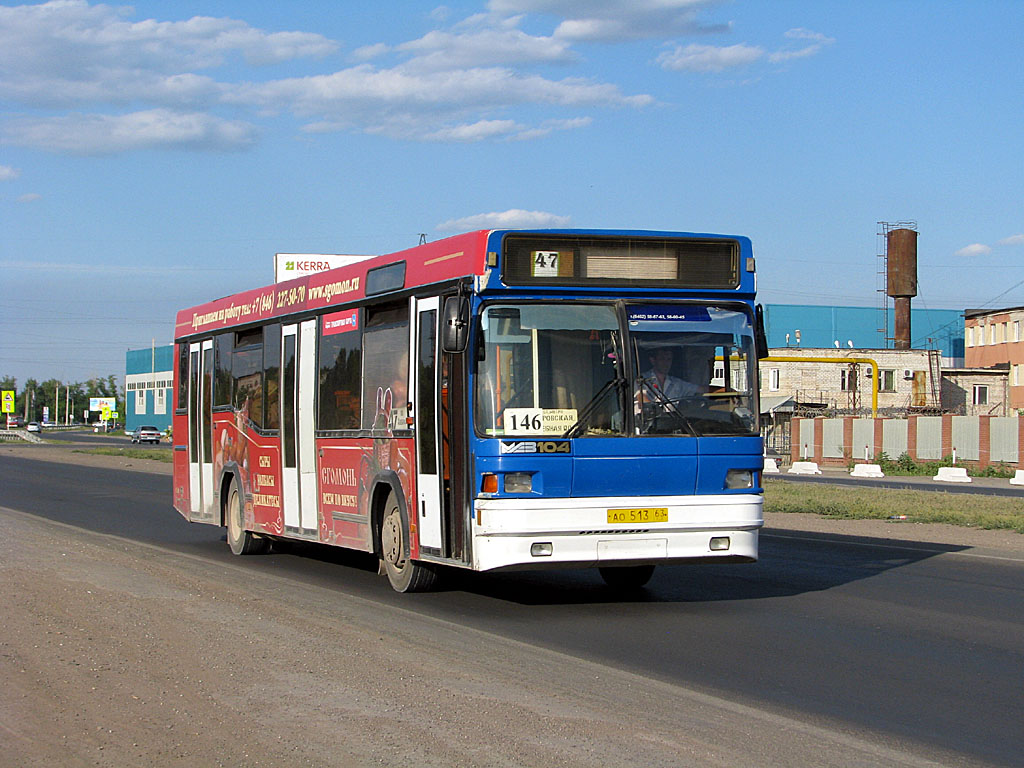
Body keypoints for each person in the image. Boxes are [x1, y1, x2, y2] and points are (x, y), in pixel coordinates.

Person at [636, 347, 700, 411]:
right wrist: (654, 410)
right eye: (662, 359)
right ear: (653, 360)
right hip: (645, 420)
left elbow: (700, 389)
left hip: (671, 420)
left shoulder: (676, 383)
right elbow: (641, 398)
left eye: (669, 359)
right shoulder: (642, 379)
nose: (666, 363)